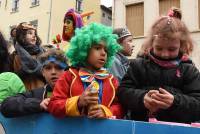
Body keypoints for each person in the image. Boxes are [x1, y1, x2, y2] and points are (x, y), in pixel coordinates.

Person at [117, 8, 200, 123]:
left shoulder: (189, 70)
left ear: (182, 45)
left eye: (172, 49)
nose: (165, 54)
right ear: (151, 43)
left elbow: (197, 105)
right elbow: (122, 92)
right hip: (142, 128)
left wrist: (175, 102)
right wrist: (142, 99)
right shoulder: (138, 65)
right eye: (159, 48)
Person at [48, 23, 123, 119]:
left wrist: (105, 111)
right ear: (84, 49)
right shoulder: (69, 76)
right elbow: (53, 105)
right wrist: (78, 102)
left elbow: (121, 107)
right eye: (97, 48)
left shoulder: (112, 80)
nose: (103, 53)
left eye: (106, 50)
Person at [1, 49, 68, 117]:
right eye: (48, 68)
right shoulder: (37, 94)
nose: (53, 72)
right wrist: (38, 104)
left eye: (59, 67)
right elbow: (6, 105)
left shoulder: (76, 93)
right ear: (43, 72)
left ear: (66, 71)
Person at [10, 22, 45, 90]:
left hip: (42, 94)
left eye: (35, 34)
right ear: (22, 36)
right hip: (23, 95)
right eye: (30, 33)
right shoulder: (14, 56)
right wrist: (23, 71)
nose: (34, 36)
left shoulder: (43, 53)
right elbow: (11, 78)